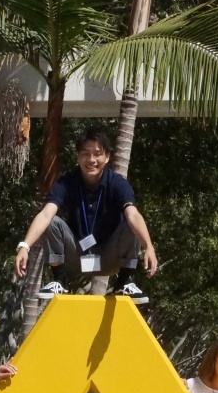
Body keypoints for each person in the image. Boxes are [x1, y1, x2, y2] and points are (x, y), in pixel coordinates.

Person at [14, 126, 159, 303]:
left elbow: (133, 215)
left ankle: (124, 283)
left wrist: (148, 247)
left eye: (97, 154)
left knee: (131, 222)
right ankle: (60, 280)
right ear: (78, 156)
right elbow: (45, 215)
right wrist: (24, 246)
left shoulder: (117, 183)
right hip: (78, 257)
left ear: (107, 157)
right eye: (85, 153)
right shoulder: (67, 182)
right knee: (51, 221)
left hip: (109, 257)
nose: (91, 160)